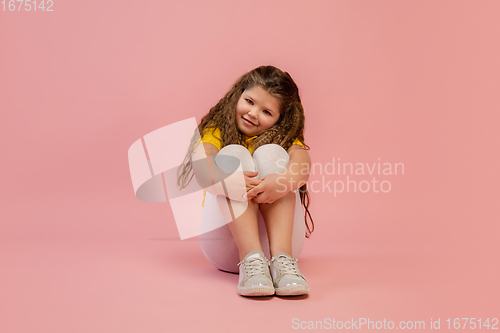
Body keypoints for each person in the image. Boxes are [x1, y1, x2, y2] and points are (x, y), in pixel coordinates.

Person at [177, 65, 314, 297]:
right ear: (238, 95)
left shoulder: (284, 137)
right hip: (227, 248)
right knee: (233, 154)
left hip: (281, 250)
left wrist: (281, 182)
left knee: (272, 153)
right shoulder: (217, 129)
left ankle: (283, 262)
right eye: (249, 101)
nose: (253, 113)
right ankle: (251, 259)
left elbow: (302, 163)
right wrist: (225, 182)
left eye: (267, 112)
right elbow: (202, 164)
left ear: (281, 119)